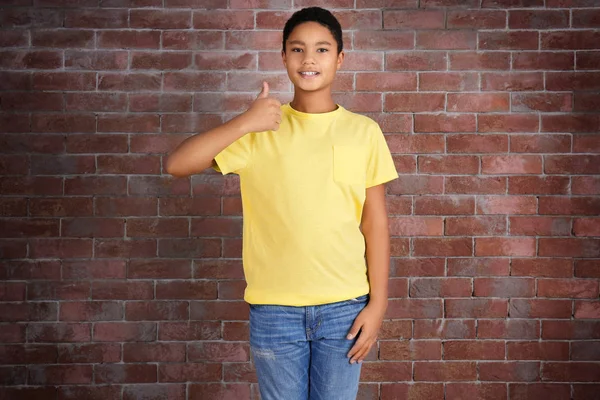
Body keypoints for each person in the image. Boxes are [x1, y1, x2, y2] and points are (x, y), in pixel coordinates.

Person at [166, 7, 398, 400]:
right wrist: (244, 122)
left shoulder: (364, 132)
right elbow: (177, 164)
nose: (309, 59)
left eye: (322, 49)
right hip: (275, 312)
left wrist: (378, 305)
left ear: (340, 58)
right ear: (283, 57)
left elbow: (374, 224)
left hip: (344, 309)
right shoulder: (260, 128)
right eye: (297, 49)